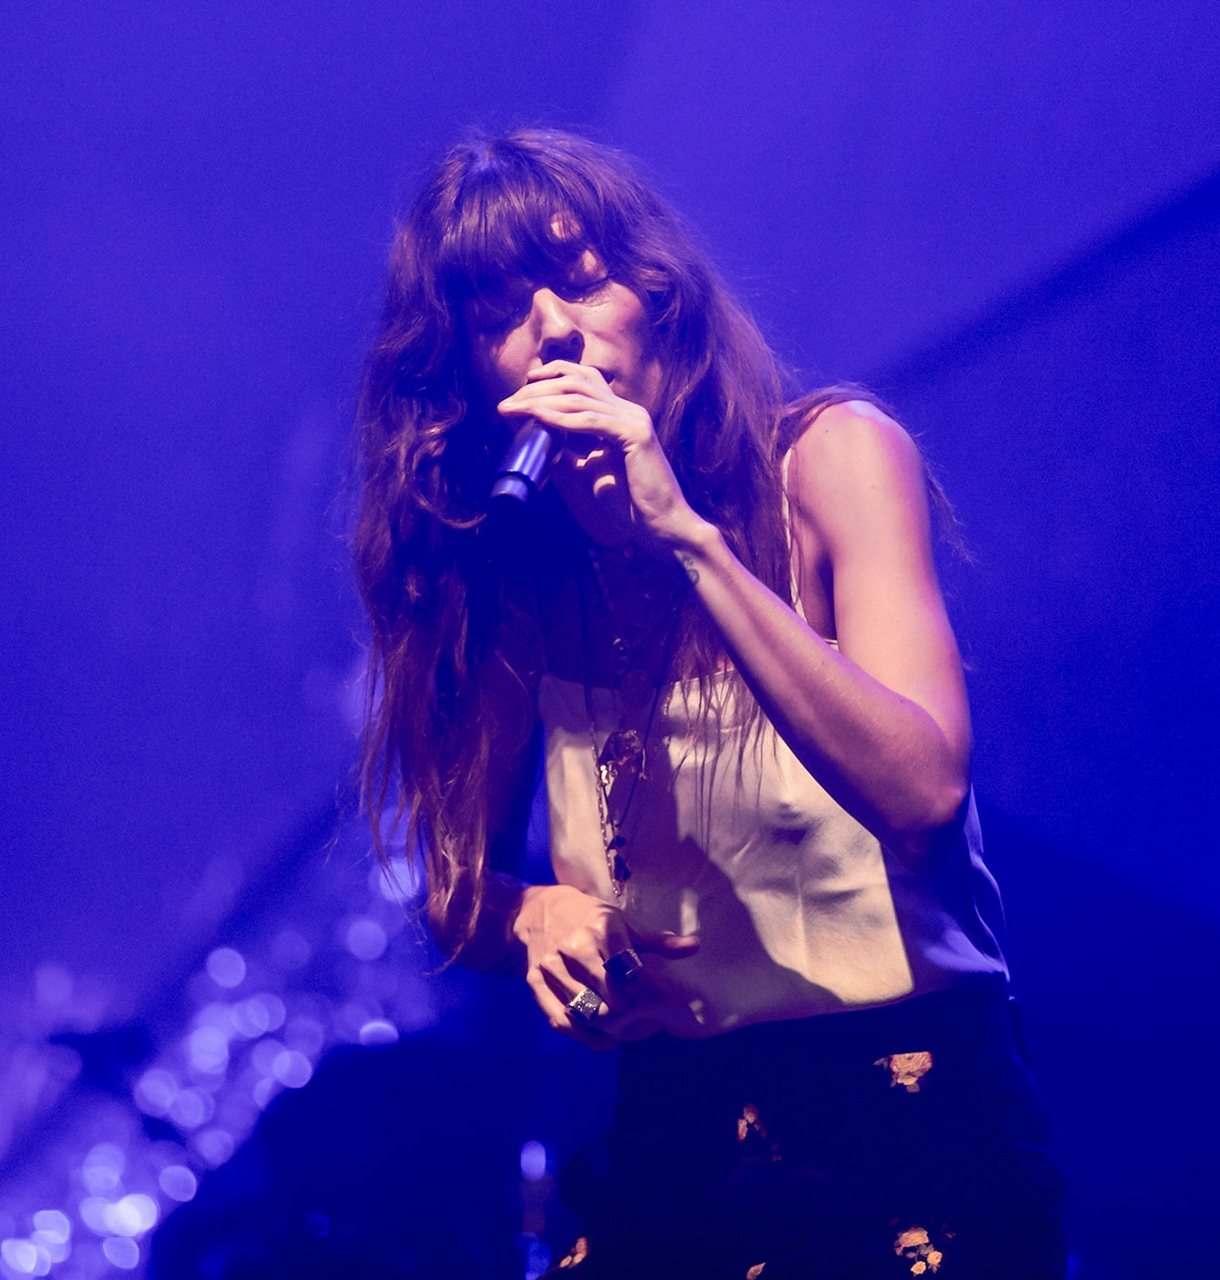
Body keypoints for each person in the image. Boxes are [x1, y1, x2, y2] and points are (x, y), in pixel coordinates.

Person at [353, 129, 1065, 1279]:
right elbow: (456, 888)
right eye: (498, 314)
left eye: (579, 279)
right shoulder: (511, 566)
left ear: (658, 290)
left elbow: (924, 791)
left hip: (909, 1119)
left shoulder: (828, 463)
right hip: (677, 1135)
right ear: (468, 372)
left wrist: (682, 536)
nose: (554, 329)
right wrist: (526, 915)